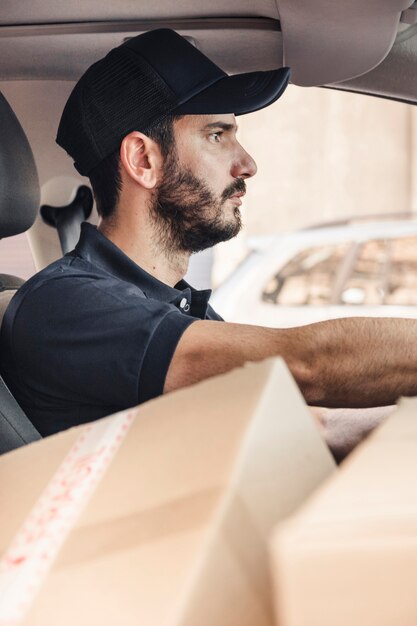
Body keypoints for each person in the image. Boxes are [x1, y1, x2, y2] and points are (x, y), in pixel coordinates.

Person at [1, 29, 416, 439]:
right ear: (143, 158)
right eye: (216, 136)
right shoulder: (65, 304)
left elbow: (311, 427)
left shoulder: (176, 306)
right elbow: (307, 365)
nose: (248, 164)